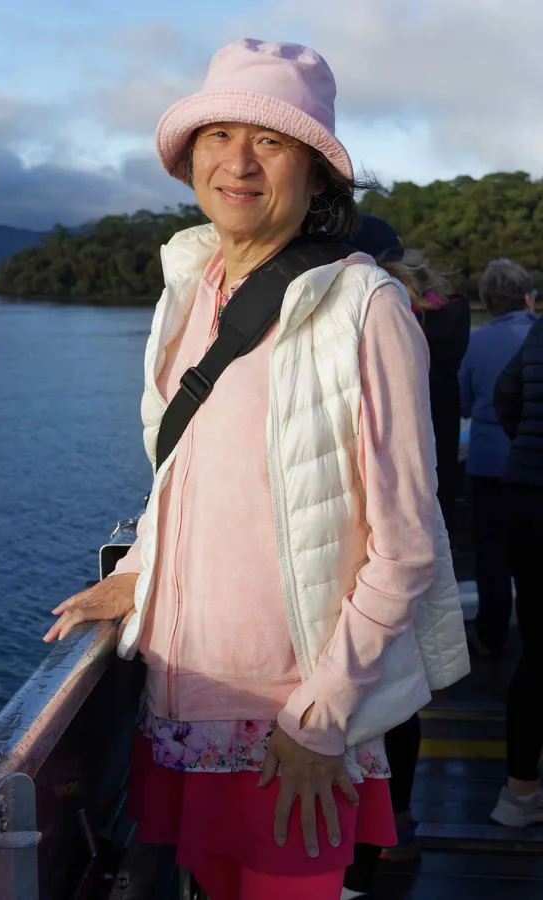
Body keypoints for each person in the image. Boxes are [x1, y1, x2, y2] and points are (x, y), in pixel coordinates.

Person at [43, 39, 468, 900]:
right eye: (218, 135)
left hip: (294, 710)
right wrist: (139, 572)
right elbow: (185, 478)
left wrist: (319, 720)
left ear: (315, 172)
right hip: (183, 698)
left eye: (270, 141)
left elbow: (408, 546)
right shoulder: (191, 291)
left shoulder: (364, 308)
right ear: (189, 156)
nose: (237, 161)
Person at [342, 218, 470, 897]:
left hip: (369, 506)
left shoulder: (366, 314)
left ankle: (359, 834)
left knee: (369, 672)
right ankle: (397, 816)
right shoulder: (442, 314)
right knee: (405, 672)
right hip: (436, 476)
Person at [459, 259, 537, 655]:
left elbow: (465, 402)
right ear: (528, 295)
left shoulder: (475, 343)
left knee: (490, 555)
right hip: (532, 471)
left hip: (487, 466)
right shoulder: (535, 336)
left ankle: (491, 636)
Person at [490, 314, 543, 826]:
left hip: (525, 494)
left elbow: (505, 396)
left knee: (535, 651)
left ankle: (519, 793)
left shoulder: (540, 328)